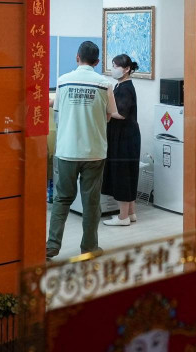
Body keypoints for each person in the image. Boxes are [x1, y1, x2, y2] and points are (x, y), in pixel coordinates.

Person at [46, 40, 117, 259]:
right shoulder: (106, 84)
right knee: (91, 202)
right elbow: (109, 116)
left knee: (62, 199)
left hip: (67, 150)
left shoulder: (63, 81)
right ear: (97, 61)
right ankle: (89, 247)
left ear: (77, 57)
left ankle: (52, 246)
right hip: (94, 151)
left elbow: (58, 109)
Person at [102, 54, 141, 226]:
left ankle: (122, 217)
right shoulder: (121, 85)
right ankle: (131, 213)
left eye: (116, 66)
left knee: (123, 175)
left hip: (124, 138)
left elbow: (121, 113)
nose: (113, 69)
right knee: (129, 173)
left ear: (126, 69)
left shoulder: (125, 88)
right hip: (126, 136)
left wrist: (105, 113)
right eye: (112, 65)